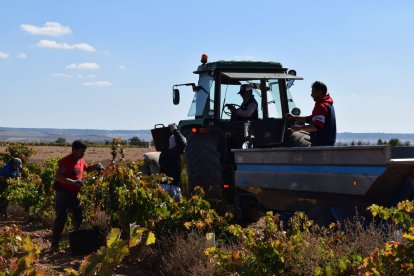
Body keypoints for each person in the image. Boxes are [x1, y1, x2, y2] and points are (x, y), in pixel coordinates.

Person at [51, 140, 104, 250]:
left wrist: (96, 166)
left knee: (78, 217)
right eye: (81, 151)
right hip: (63, 193)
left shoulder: (81, 161)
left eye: (84, 152)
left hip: (75, 194)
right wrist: (73, 182)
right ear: (74, 150)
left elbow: (87, 169)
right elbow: (58, 177)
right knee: (61, 218)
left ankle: (77, 243)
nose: (83, 154)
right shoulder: (66, 161)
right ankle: (54, 244)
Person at [286, 81, 336, 146]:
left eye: (313, 92)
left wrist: (298, 128)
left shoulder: (321, 106)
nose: (311, 95)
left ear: (320, 92)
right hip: (327, 143)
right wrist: (294, 117)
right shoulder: (328, 105)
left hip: (321, 144)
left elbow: (316, 127)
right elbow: (310, 119)